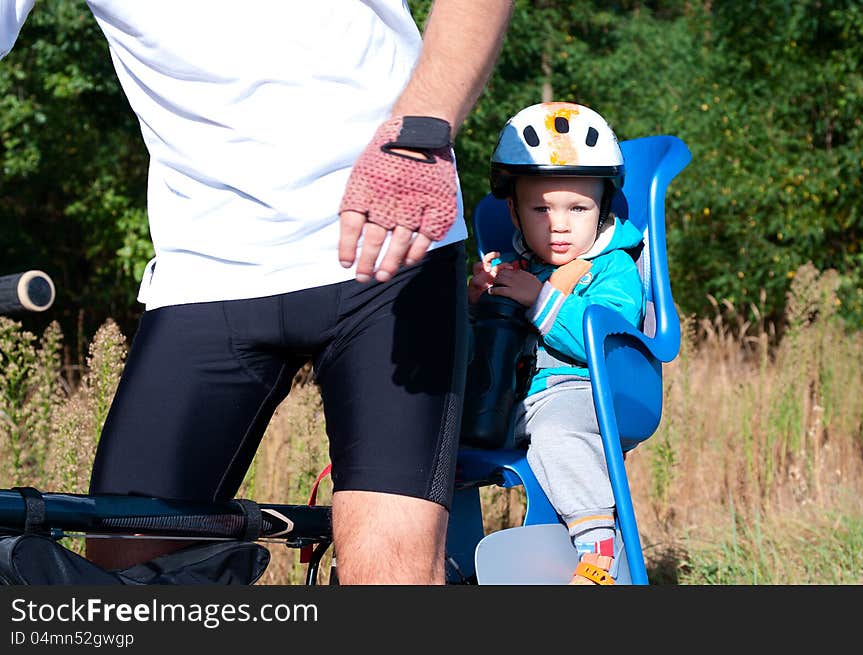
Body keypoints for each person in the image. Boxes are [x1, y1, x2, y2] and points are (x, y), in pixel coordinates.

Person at [1, 0, 514, 584]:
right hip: (205, 266)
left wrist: (420, 133)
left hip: (389, 237)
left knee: (390, 570)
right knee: (120, 575)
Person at [467, 102, 646, 584]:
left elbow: (606, 335)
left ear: (602, 208)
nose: (559, 224)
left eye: (577, 208)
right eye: (540, 208)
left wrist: (540, 298)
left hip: (586, 392)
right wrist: (476, 303)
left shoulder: (613, 268)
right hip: (512, 401)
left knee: (557, 432)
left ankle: (598, 546)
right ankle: (448, 556)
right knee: (435, 437)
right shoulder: (515, 268)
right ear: (513, 210)